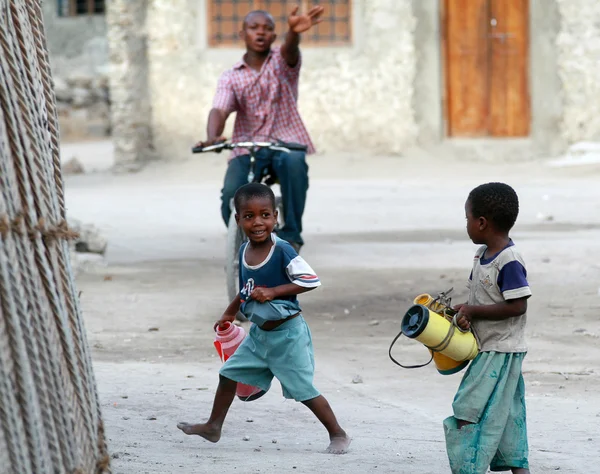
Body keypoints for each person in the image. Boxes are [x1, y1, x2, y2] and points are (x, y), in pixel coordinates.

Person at [177, 183, 351, 454]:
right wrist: (230, 311)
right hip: (259, 337)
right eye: (249, 216)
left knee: (303, 390)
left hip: (288, 337)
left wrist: (274, 291)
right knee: (228, 374)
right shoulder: (244, 251)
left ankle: (337, 433)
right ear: (238, 220)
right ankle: (213, 426)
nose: (258, 222)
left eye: (265, 215)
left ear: (275, 217)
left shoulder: (282, 250)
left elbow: (310, 280)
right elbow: (246, 289)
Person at [196, 6, 324, 252]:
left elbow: (290, 50)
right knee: (231, 196)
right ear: (242, 34)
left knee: (295, 163)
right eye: (254, 28)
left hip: (284, 142)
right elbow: (220, 109)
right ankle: (244, 240)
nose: (260, 33)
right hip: (248, 146)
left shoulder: (281, 63)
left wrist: (294, 33)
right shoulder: (231, 77)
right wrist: (212, 137)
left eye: (267, 29)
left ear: (274, 37)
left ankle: (292, 234)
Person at [444, 182, 531, 474]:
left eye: (467, 217)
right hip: (488, 347)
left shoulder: (509, 261)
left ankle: (468, 468)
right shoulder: (481, 256)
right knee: (507, 414)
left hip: (501, 351)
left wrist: (474, 311)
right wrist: (464, 314)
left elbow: (518, 306)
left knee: (467, 410)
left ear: (481, 222)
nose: (466, 223)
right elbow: (480, 300)